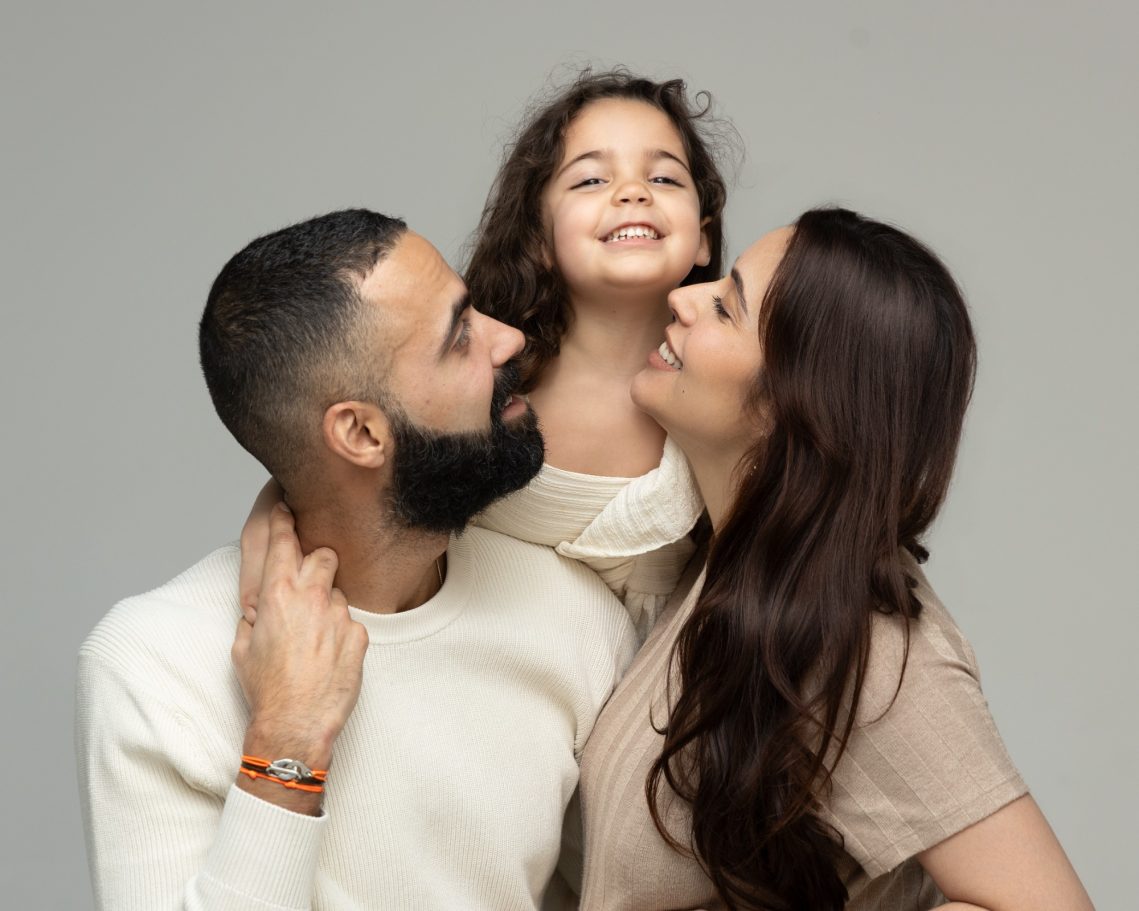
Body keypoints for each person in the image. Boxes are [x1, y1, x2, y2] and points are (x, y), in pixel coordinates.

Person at [76, 209, 638, 910]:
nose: (508, 339)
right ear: (361, 432)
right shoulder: (149, 666)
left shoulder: (572, 612)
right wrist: (287, 741)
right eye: (460, 336)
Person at [576, 208, 1093, 910]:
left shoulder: (867, 643)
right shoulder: (726, 563)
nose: (683, 296)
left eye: (726, 307)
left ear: (795, 403)